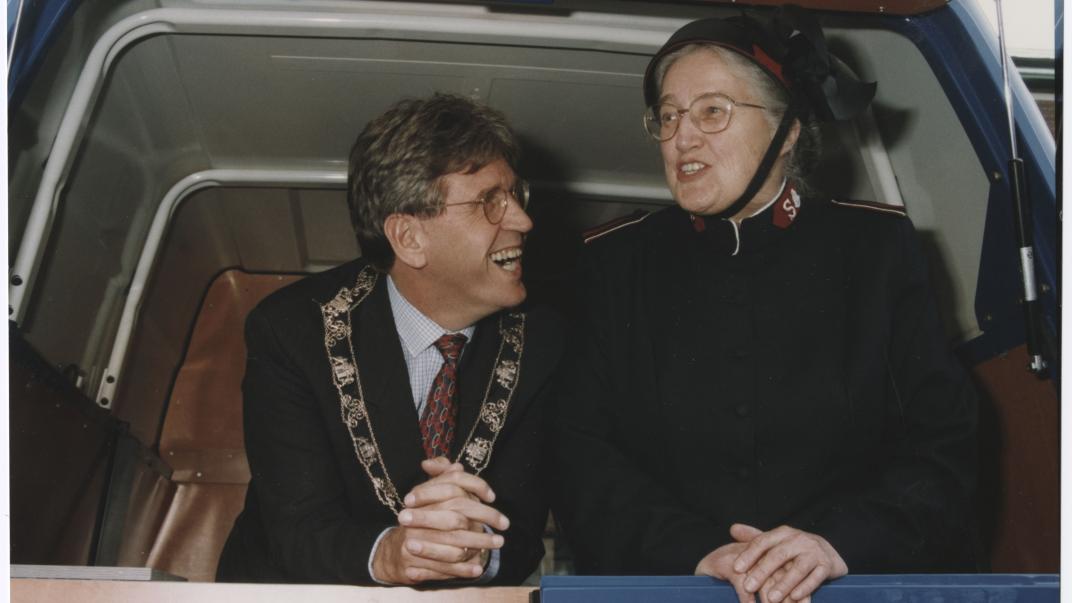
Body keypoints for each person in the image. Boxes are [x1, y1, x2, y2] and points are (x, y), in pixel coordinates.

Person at [551, 7, 978, 603]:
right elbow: (580, 454)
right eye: (668, 116)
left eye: (711, 111)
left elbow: (946, 445)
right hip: (669, 587)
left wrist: (836, 544)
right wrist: (697, 553)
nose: (682, 136)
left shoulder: (876, 252)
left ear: (789, 130)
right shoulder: (615, 264)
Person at [217, 93, 561, 585]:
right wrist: (391, 555)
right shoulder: (292, 329)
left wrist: (479, 554)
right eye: (490, 202)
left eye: (515, 196)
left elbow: (522, 528)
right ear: (409, 238)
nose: (523, 222)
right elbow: (297, 526)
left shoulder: (545, 343)